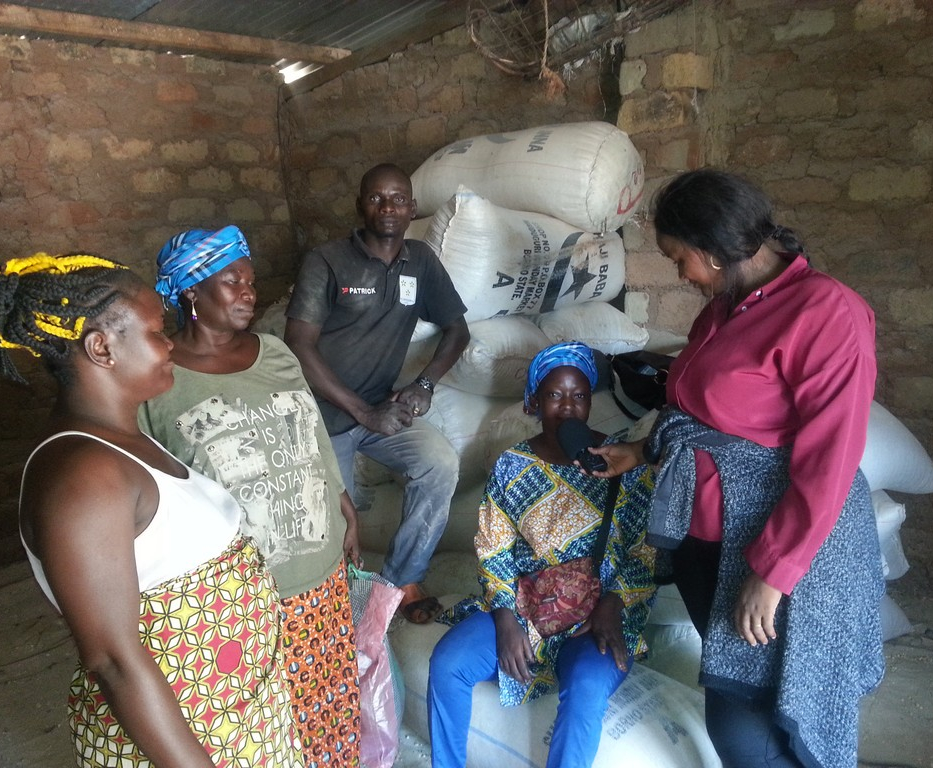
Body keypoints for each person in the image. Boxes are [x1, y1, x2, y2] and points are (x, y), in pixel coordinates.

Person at [588, 169, 885, 768]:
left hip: (777, 542)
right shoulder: (723, 310)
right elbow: (701, 410)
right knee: (738, 696)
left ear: (712, 250)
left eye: (679, 260)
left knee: (756, 721)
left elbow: (829, 458)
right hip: (709, 538)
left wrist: (775, 572)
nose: (680, 275)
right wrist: (644, 451)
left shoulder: (828, 313)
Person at [0, 253, 303, 768]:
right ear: (101, 348)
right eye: (157, 330)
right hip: (182, 742)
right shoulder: (83, 478)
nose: (169, 343)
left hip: (230, 715)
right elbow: (114, 661)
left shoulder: (122, 439)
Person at [139, 225, 362, 768]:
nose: (248, 292)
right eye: (231, 281)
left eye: (250, 280)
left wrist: (344, 506)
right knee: (266, 728)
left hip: (321, 572)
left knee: (330, 712)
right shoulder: (160, 382)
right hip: (243, 595)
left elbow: (313, 436)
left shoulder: (276, 352)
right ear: (191, 291)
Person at [427, 342, 657, 768]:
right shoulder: (513, 465)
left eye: (579, 395)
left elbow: (646, 549)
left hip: (596, 617)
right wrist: (504, 617)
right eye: (554, 395)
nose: (568, 408)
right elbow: (493, 547)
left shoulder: (622, 461)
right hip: (526, 610)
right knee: (448, 662)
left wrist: (614, 602)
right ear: (533, 401)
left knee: (587, 686)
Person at [284, 162, 470, 624]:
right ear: (359, 205)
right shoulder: (326, 260)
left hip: (382, 410)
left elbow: (457, 330)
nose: (388, 208)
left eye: (398, 199)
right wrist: (364, 413)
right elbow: (298, 347)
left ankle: (401, 579)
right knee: (333, 524)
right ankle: (342, 607)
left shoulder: (420, 261)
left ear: (412, 208)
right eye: (376, 198)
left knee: (440, 462)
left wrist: (424, 384)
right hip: (321, 416)